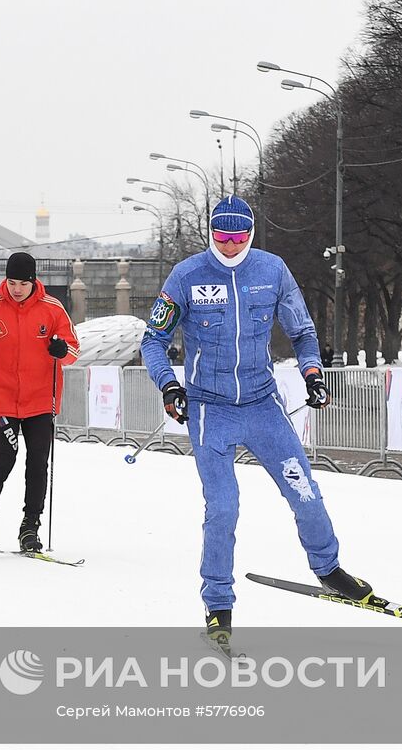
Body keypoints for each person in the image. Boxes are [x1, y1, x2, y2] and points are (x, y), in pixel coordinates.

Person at [139, 195, 371, 650]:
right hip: (210, 410)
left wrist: (312, 374)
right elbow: (153, 340)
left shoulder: (272, 271)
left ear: (251, 235)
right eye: (221, 237)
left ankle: (329, 569)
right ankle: (218, 606)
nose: (229, 246)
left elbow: (303, 332)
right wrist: (170, 385)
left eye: (238, 237)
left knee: (303, 489)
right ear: (211, 235)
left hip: (263, 406)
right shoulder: (187, 276)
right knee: (223, 508)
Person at [0, 252, 79, 554]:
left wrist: (61, 350)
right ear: (5, 280)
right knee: (1, 463)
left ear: (33, 281)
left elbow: (73, 350)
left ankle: (30, 527)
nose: (17, 289)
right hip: (4, 402)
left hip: (40, 402)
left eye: (23, 283)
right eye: (12, 282)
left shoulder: (52, 309)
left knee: (37, 464)